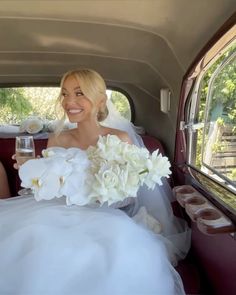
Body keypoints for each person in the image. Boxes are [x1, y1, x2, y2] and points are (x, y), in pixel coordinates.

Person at [0, 69, 188, 295]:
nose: (69, 101)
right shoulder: (58, 138)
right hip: (54, 212)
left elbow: (127, 198)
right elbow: (45, 191)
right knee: (38, 246)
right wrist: (30, 171)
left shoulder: (119, 139)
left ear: (100, 101)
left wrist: (99, 193)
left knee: (107, 255)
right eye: (65, 94)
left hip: (105, 216)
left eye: (79, 93)